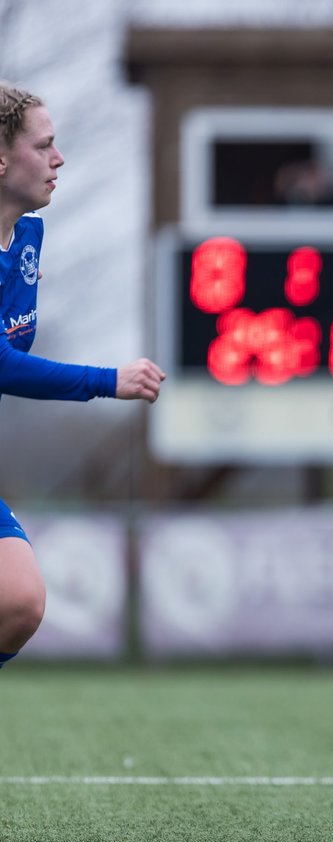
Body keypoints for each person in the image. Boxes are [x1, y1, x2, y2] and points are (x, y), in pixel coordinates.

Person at [0, 83, 166, 670]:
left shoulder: (27, 238)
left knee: (20, 603)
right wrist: (105, 379)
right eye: (43, 145)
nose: (59, 157)